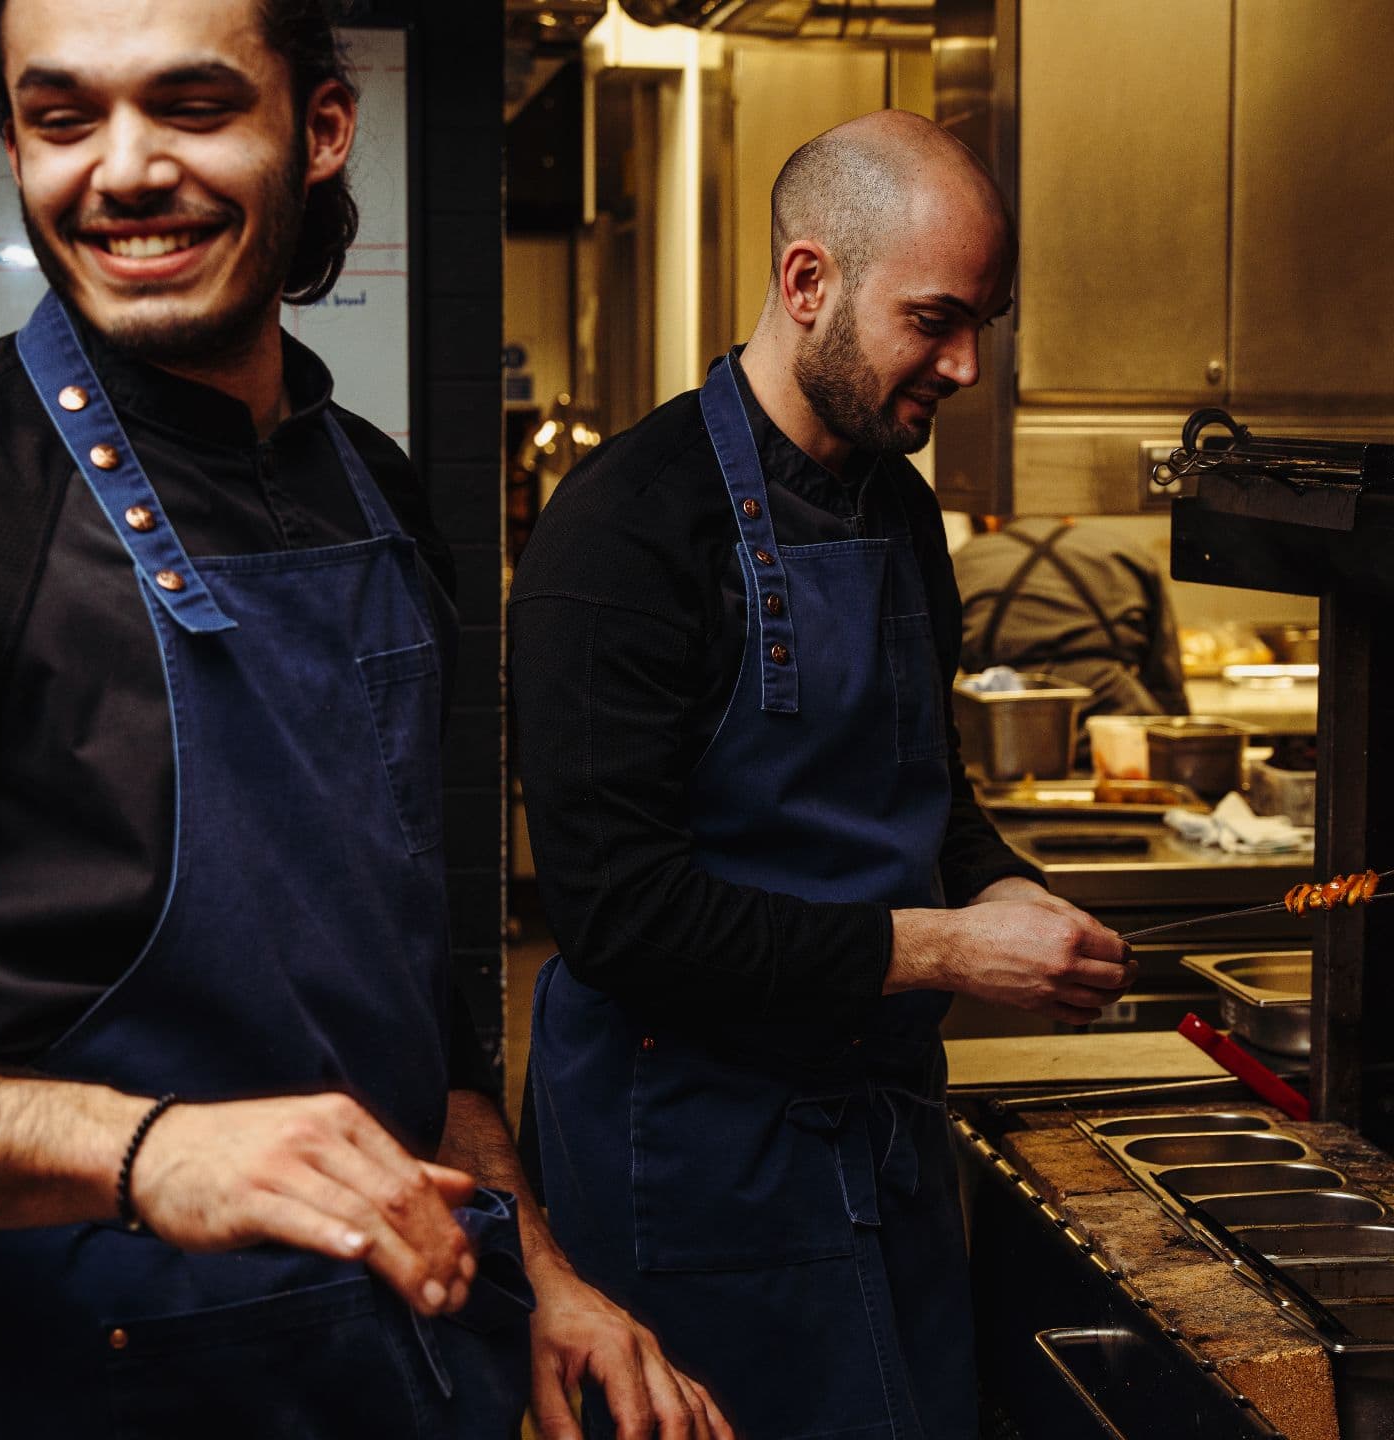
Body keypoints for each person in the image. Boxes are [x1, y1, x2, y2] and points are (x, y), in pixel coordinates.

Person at [0, 2, 724, 1435]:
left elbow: (399, 989)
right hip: (75, 1378)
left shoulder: (374, 496)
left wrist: (537, 1269)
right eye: (65, 118)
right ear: (15, 139)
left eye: (191, 106)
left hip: (394, 1375)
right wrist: (146, 1154)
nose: (124, 170)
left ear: (319, 128)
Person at [510, 111, 1134, 1438]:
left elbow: (929, 788)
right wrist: (951, 952)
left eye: (986, 323)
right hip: (692, 1159)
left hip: (879, 1132)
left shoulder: (901, 511)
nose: (965, 364)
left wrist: (1003, 887)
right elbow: (623, 918)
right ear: (810, 285)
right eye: (936, 320)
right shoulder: (625, 531)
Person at [954, 514, 1189, 718]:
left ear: (990, 518)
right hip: (1117, 728)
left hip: (1007, 734)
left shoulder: (963, 561)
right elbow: (1167, 686)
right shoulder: (1126, 551)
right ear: (1069, 517)